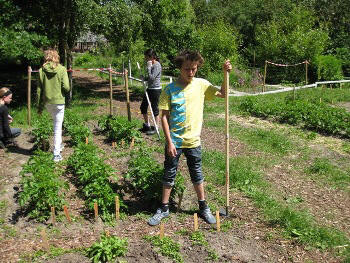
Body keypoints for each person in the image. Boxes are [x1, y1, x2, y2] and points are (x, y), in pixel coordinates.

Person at [148, 50, 232, 226]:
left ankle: (203, 207)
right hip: (175, 142)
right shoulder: (169, 89)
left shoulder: (201, 85)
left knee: (197, 174)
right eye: (187, 69)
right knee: (169, 173)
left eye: (194, 69)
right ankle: (163, 208)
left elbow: (223, 94)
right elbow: (163, 116)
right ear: (180, 68)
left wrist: (225, 74)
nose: (191, 73)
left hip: (194, 141)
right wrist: (169, 141)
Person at [37, 49, 70, 162]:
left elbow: (39, 90)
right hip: (59, 102)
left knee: (56, 124)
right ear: (56, 57)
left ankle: (59, 145)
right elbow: (66, 87)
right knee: (57, 127)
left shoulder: (41, 70)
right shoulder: (62, 69)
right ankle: (56, 154)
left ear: (46, 57)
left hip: (48, 102)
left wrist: (39, 106)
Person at [139, 48, 162, 135]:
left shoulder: (157, 65)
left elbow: (152, 78)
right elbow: (149, 78)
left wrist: (149, 68)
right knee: (143, 107)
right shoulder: (151, 65)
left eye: (146, 57)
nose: (145, 59)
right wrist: (143, 78)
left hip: (155, 90)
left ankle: (156, 128)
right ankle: (147, 125)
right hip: (149, 89)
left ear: (151, 57)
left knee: (154, 109)